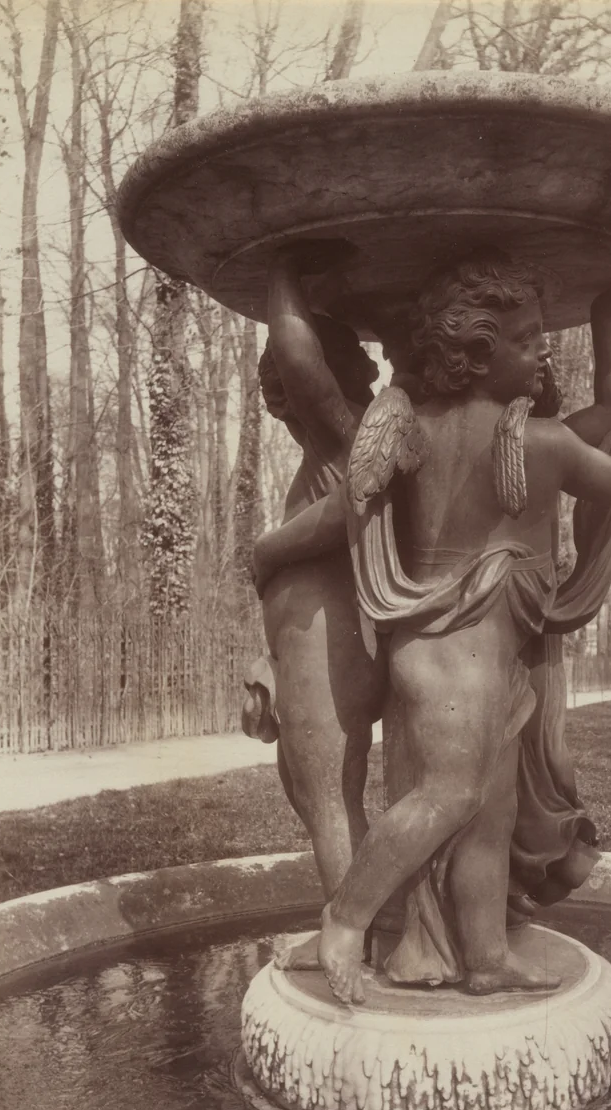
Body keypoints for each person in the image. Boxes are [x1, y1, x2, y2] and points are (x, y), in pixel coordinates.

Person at [318, 251, 611, 1004]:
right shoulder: (538, 443)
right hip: (459, 655)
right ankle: (345, 919)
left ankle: (484, 958)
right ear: (477, 353)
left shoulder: (427, 427)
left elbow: (602, 412)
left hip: (470, 654)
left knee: (490, 810)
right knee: (446, 795)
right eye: (529, 339)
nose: (542, 350)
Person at [242, 245, 386, 969]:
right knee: (311, 787)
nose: (279, 398)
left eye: (284, 387)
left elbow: (343, 515)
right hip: (309, 638)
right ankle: (362, 922)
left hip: (329, 638)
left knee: (329, 789)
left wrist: (281, 272)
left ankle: (349, 945)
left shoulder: (352, 431)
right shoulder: (339, 441)